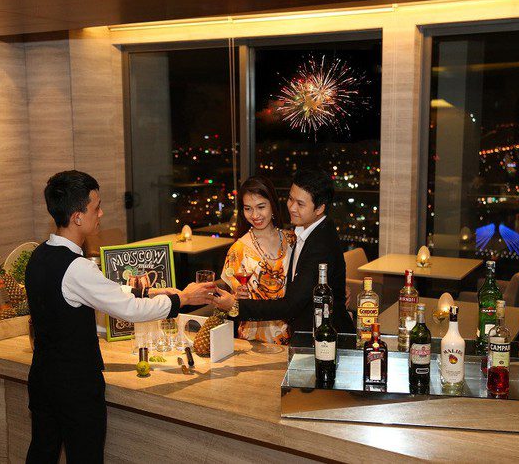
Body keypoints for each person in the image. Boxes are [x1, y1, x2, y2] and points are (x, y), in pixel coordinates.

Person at [25, 170, 212, 463]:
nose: (101, 213)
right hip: (75, 385)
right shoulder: (76, 267)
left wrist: (150, 291)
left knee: (42, 453)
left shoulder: (39, 255)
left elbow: (102, 291)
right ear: (77, 217)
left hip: (42, 377)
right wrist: (182, 299)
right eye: (96, 207)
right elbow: (129, 310)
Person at [210, 168, 354, 335]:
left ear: (320, 208)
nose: (292, 207)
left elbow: (291, 305)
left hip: (319, 337)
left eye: (300, 204)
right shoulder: (300, 235)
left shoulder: (313, 243)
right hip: (265, 333)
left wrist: (236, 306)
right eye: (290, 199)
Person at [220, 176, 295, 345]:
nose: (255, 215)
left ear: (272, 205)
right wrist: (236, 297)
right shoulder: (238, 250)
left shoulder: (292, 240)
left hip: (292, 336)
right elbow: (231, 304)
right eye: (248, 208)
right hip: (252, 341)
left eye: (261, 207)